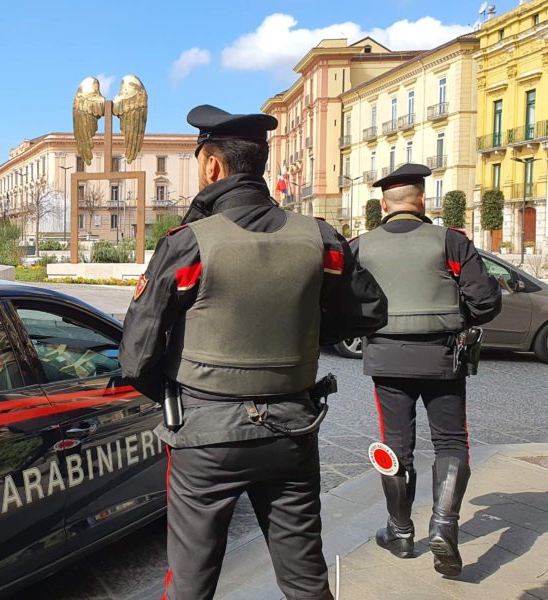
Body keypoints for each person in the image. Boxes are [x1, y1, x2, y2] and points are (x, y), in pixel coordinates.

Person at [119, 105, 388, 600]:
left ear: (212, 167)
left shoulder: (188, 245)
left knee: (190, 585)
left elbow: (135, 357)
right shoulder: (321, 238)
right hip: (292, 430)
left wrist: (185, 396)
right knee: (306, 580)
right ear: (260, 165)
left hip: (206, 439)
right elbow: (369, 312)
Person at [352, 163, 501, 576]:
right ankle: (443, 525)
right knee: (451, 441)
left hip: (386, 359)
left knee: (396, 447)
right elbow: (486, 301)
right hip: (442, 357)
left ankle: (400, 533)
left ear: (384, 204)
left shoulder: (361, 246)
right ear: (422, 199)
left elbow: (342, 304)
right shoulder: (450, 241)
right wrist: (456, 317)